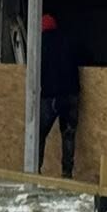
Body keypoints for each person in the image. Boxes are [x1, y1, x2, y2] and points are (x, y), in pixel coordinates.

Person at [38, 12, 80, 178]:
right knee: (68, 134)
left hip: (51, 96)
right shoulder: (68, 41)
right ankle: (67, 173)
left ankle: (34, 170)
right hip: (71, 94)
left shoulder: (41, 44)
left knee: (39, 133)